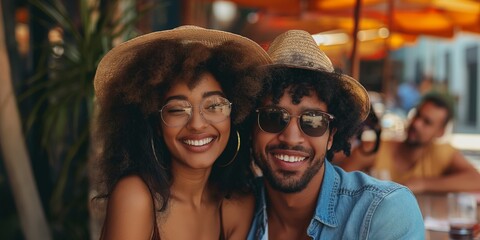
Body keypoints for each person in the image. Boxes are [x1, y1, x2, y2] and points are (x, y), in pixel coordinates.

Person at [93, 25, 271, 239]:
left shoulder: (237, 206)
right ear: (156, 124)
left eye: (214, 106)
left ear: (236, 115)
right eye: (177, 109)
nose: (197, 124)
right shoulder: (136, 198)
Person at [247, 30, 424, 240]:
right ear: (251, 127)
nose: (291, 137)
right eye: (273, 117)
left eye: (313, 121)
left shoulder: (384, 211)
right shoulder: (231, 211)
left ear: (331, 135)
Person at [339, 92, 480, 193]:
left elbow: (476, 180)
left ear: (440, 132)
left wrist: (422, 184)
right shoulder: (375, 148)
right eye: (417, 115)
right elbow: (337, 184)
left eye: (427, 122)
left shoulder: (442, 152)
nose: (417, 123)